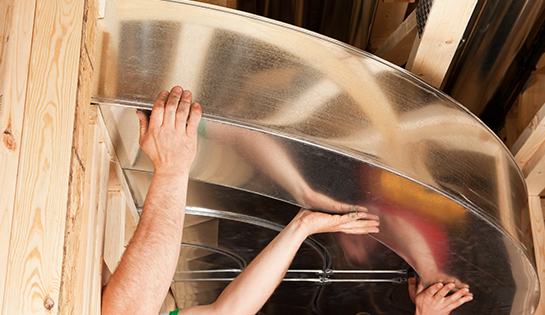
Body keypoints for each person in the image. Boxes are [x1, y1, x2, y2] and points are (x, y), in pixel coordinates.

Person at [101, 87, 472, 315]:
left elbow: (131, 310)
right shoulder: (370, 191)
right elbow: (229, 311)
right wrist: (303, 220)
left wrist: (172, 168)